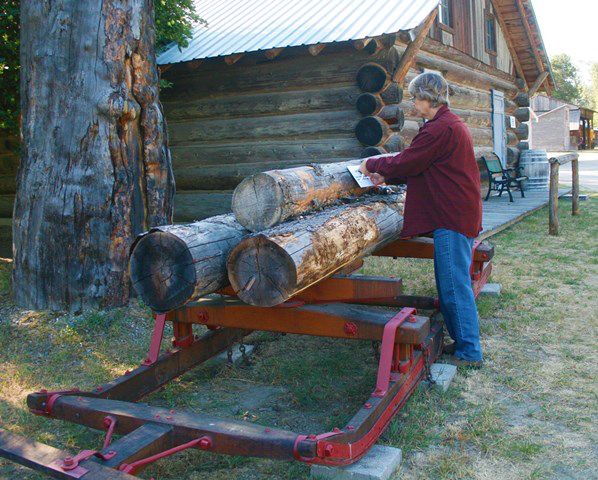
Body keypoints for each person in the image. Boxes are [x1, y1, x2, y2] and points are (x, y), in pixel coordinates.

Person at [359, 72, 484, 368]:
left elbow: (410, 160)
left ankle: (469, 352)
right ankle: (464, 343)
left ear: (429, 98)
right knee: (452, 283)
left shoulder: (440, 128)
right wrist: (386, 174)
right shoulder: (444, 125)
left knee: (454, 286)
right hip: (456, 212)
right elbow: (422, 165)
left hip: (452, 216)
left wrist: (372, 163)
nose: (414, 103)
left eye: (415, 97)